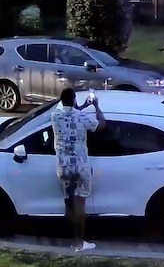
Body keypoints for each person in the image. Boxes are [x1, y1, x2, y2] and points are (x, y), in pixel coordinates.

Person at [51, 88, 106, 252]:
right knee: (80, 204)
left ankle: (73, 241)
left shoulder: (55, 115)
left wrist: (79, 106)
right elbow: (101, 125)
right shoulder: (82, 116)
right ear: (74, 99)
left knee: (69, 203)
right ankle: (81, 243)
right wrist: (96, 106)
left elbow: (69, 115)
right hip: (81, 166)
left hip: (64, 166)